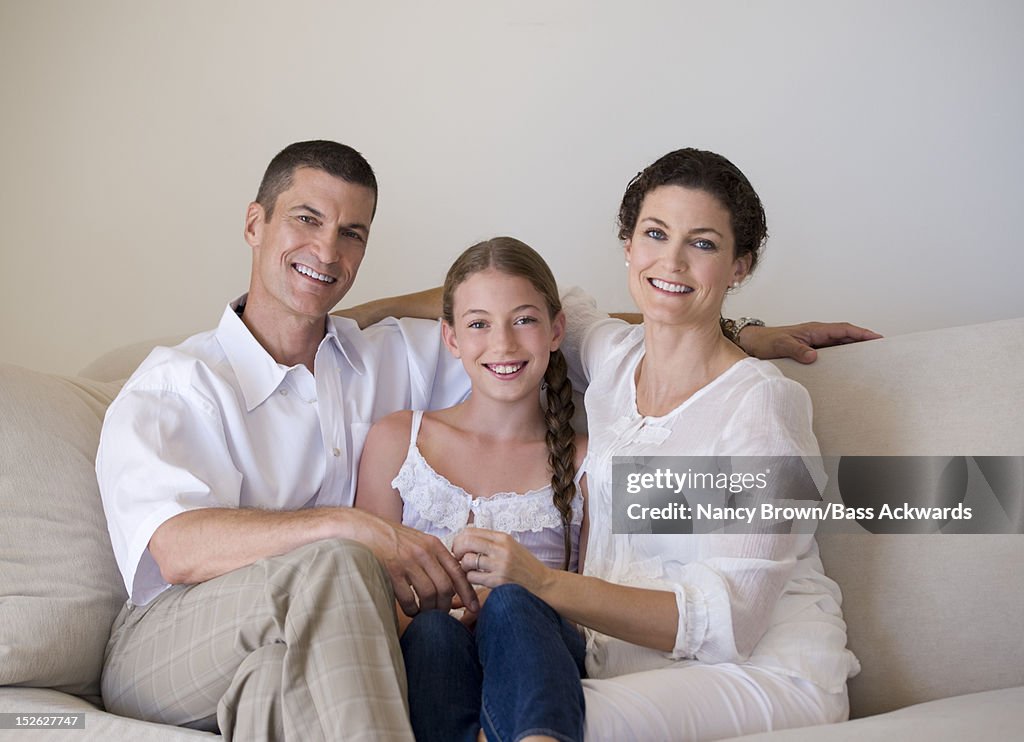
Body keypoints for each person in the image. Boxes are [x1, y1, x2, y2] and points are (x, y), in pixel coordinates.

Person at [96, 138, 872, 741]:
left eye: (351, 234)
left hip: (742, 655)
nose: (328, 252)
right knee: (356, 576)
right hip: (180, 633)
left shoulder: (747, 403)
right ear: (254, 222)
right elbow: (175, 550)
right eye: (306, 221)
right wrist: (357, 524)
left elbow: (522, 305)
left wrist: (742, 335)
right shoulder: (180, 383)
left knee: (393, 672)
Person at [450, 148, 863, 741]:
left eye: (702, 244)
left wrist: (542, 582)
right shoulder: (613, 359)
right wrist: (356, 316)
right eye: (655, 233)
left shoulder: (765, 405)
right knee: (492, 656)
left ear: (739, 266)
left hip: (762, 673)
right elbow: (503, 294)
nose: (671, 260)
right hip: (629, 669)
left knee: (542, 716)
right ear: (628, 245)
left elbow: (735, 620)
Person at [355, 237, 589, 742]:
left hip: (540, 656)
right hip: (431, 655)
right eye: (479, 324)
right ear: (452, 338)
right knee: (434, 631)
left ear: (556, 330)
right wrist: (452, 613)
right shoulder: (400, 439)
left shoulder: (587, 460)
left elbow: (596, 605)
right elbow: (367, 586)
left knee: (509, 603)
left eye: (523, 320)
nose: (502, 344)